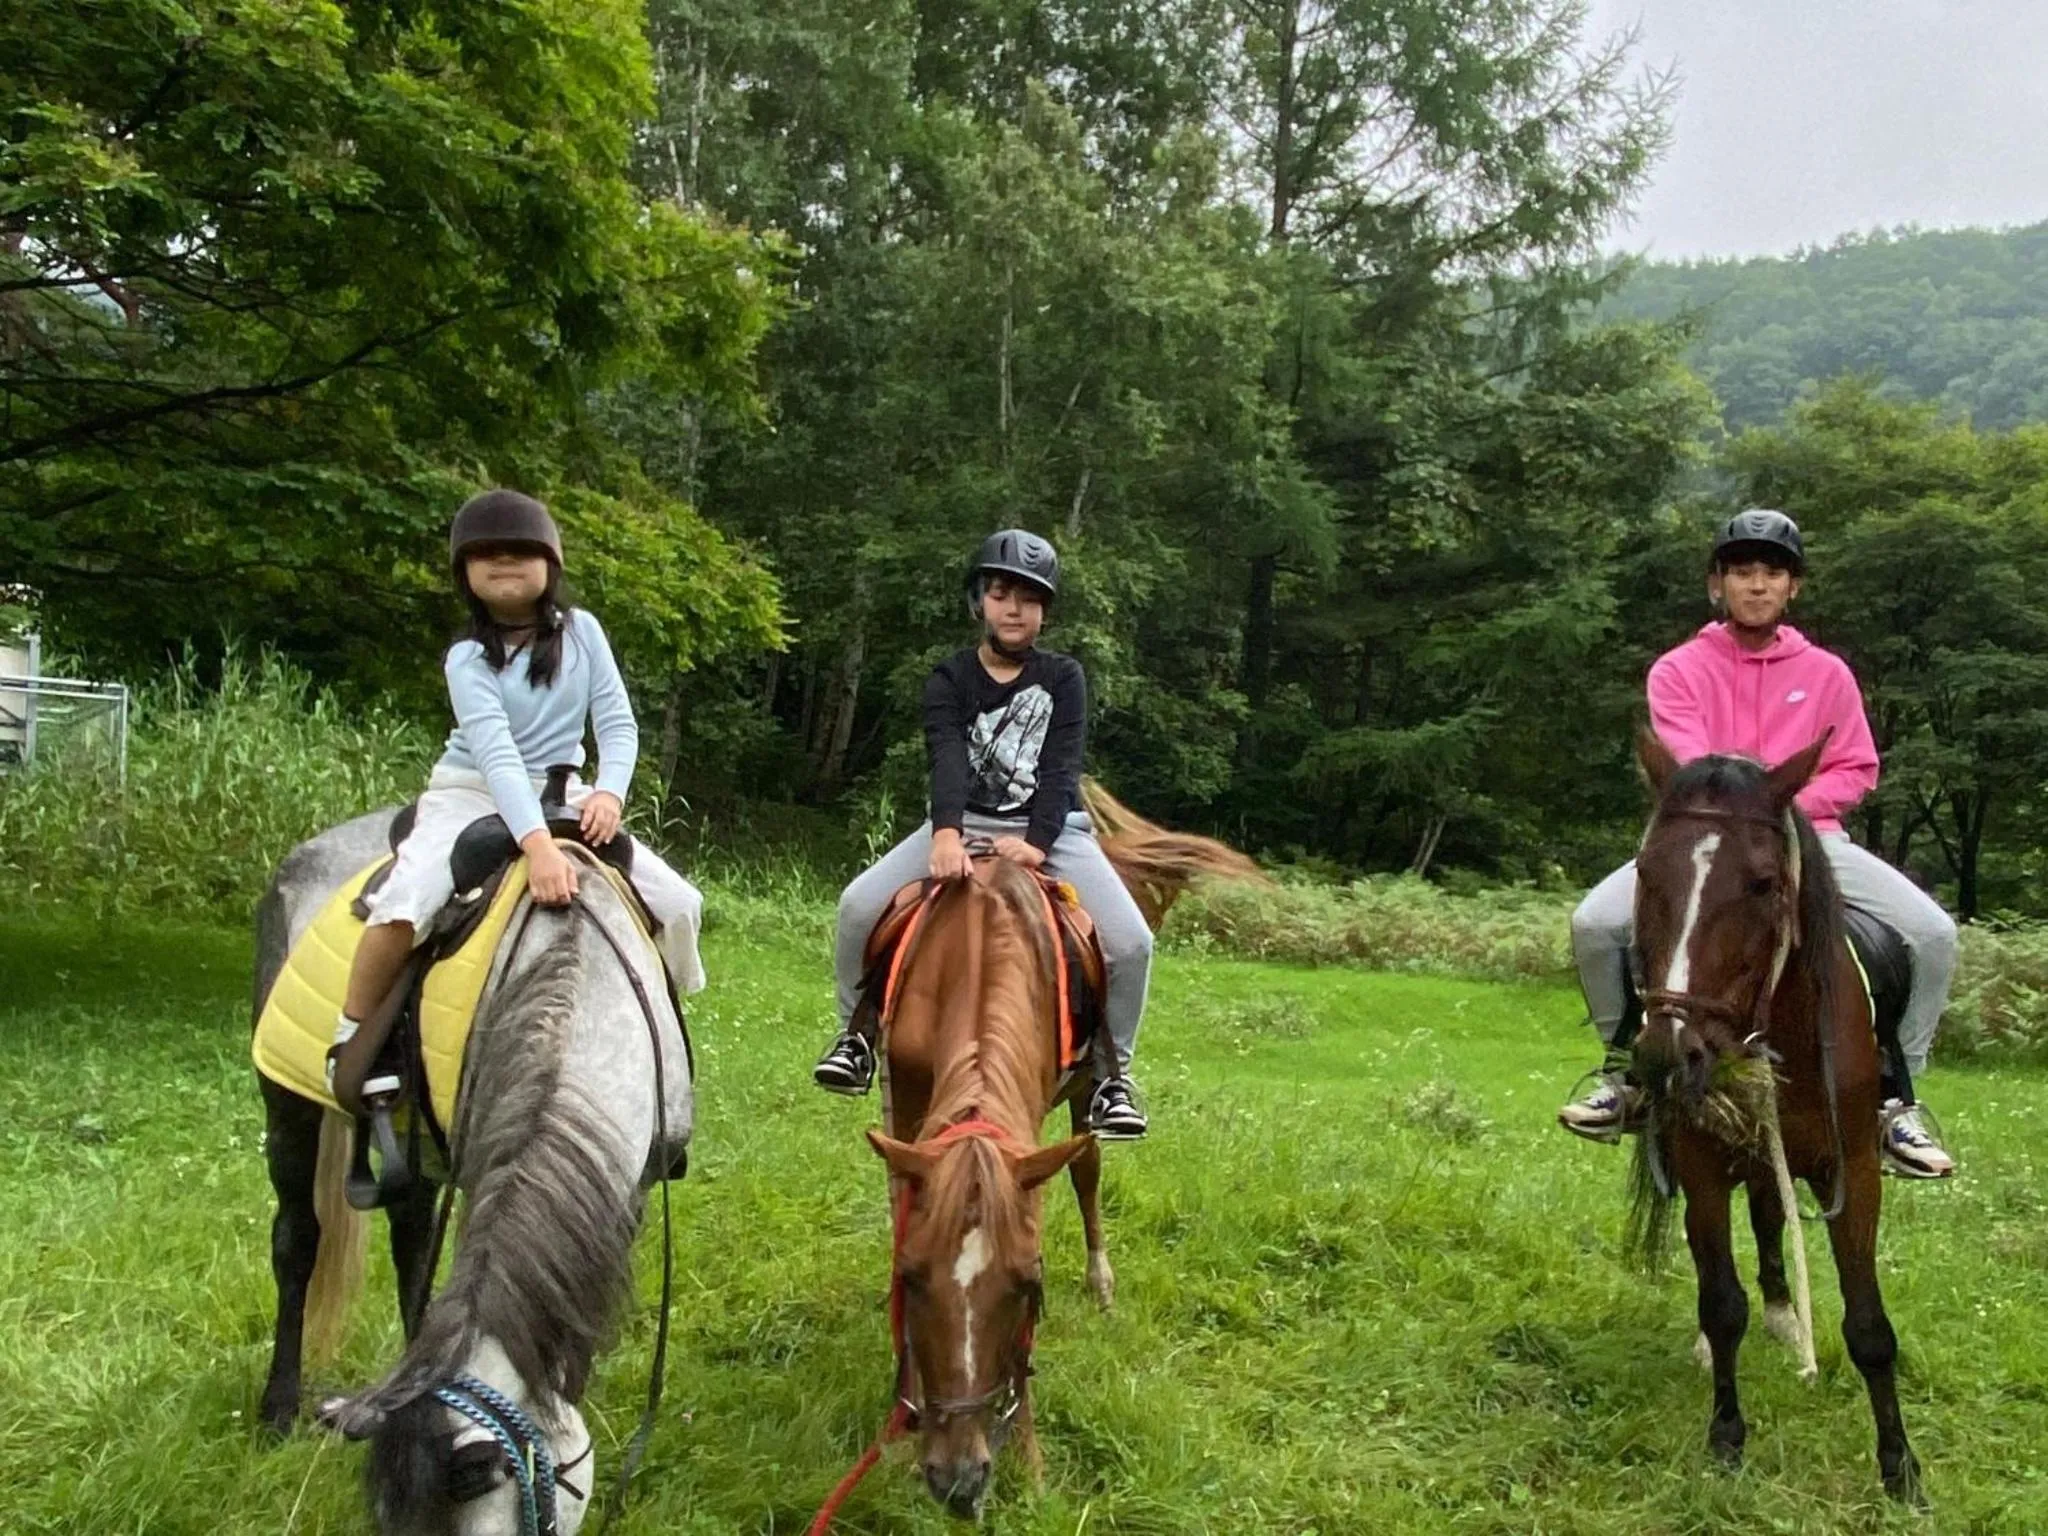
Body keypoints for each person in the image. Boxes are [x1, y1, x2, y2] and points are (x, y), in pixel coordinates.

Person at [1558, 509, 1957, 1179]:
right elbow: (1692, 773)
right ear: (1717, 583)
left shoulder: (1828, 674)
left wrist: (1790, 812)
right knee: (1595, 925)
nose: (1758, 585)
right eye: (1742, 571)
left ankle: (1897, 1098)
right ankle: (1626, 1071)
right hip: (1706, 847)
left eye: (1773, 572)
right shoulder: (1678, 670)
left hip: (1813, 838)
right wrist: (1749, 812)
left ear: (1792, 587)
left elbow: (1857, 766)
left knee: (1933, 934)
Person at [330, 489, 705, 1085]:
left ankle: (654, 1030)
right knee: (406, 904)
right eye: (486, 556)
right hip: (475, 791)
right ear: (465, 574)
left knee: (681, 904)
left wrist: (609, 792)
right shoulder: (467, 659)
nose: (503, 563)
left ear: (550, 564)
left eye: (519, 552)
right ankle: (351, 1038)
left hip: (566, 791)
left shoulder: (584, 632)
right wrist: (538, 848)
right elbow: (497, 754)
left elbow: (616, 721)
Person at [811, 530, 1154, 1139]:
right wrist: (945, 833)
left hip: (1051, 831)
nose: (1013, 609)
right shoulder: (949, 678)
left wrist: (1039, 845)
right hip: (961, 823)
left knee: (1131, 943)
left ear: (1045, 610)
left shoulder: (1063, 678)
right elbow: (946, 756)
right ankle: (856, 1036)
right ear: (980, 602)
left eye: (1028, 597)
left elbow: (1061, 768)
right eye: (1001, 594)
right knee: (858, 904)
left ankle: (1111, 1078)